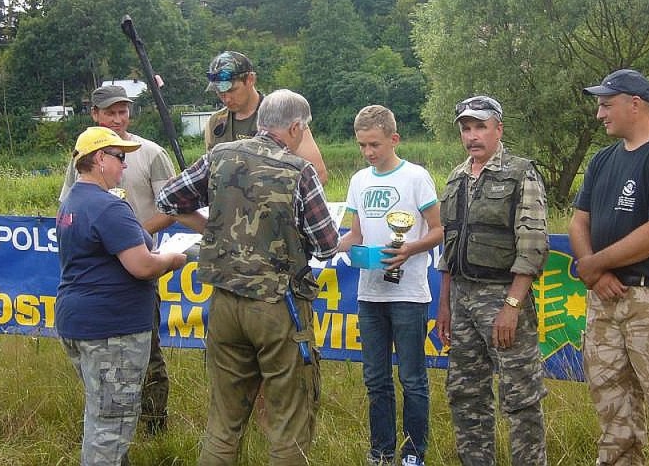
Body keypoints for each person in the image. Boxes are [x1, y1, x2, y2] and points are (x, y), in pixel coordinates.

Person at [156, 89, 339, 465]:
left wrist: (214, 229)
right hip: (278, 306)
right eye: (303, 130)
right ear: (294, 127)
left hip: (224, 303)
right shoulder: (298, 171)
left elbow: (169, 200)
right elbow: (326, 246)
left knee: (224, 422)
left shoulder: (220, 155)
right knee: (289, 422)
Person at [568, 69, 649, 466]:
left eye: (606, 105)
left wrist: (591, 264)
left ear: (635, 104)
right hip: (605, 300)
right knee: (611, 403)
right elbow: (578, 221)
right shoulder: (603, 160)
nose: (599, 114)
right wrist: (598, 275)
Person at [56, 126, 186, 465]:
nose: (124, 166)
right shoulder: (108, 207)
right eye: (120, 158)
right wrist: (174, 260)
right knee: (111, 427)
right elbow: (142, 266)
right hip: (112, 329)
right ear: (99, 158)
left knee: (101, 416)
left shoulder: (73, 201)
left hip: (79, 322)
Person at [434, 95, 549, 465]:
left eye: (480, 126)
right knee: (466, 395)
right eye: (466, 129)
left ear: (498, 129)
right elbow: (450, 246)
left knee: (520, 397)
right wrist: (445, 305)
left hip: (502, 297)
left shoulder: (520, 173)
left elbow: (532, 245)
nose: (472, 136)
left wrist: (512, 306)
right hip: (462, 300)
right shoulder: (455, 178)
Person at [336, 105, 443, 466]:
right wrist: (337, 246)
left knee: (412, 379)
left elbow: (440, 228)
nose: (368, 152)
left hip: (409, 294)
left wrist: (410, 248)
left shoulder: (416, 177)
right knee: (375, 379)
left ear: (394, 139)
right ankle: (380, 452)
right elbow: (355, 232)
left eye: (375, 145)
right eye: (362, 145)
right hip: (370, 292)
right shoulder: (358, 181)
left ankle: (414, 453)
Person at [203, 50, 327, 182]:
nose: (226, 99)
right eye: (219, 92)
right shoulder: (215, 123)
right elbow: (211, 173)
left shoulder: (285, 115)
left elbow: (318, 174)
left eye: (232, 90)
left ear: (250, 79)